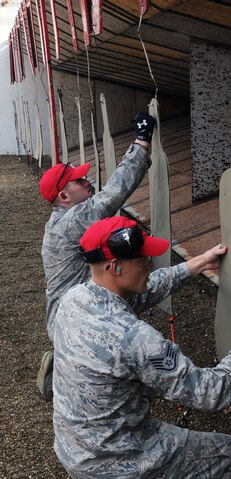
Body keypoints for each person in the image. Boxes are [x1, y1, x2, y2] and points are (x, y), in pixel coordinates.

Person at [52, 215, 231, 479]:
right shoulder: (134, 339)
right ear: (114, 266)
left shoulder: (74, 299)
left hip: (74, 447)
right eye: (143, 259)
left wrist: (197, 264)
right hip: (115, 455)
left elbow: (142, 292)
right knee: (229, 454)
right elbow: (216, 392)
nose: (151, 262)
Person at [36, 112, 156, 400]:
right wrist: (141, 141)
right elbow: (114, 193)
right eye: (79, 181)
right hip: (75, 320)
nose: (87, 181)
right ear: (64, 197)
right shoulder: (71, 222)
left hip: (66, 315)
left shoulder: (60, 222)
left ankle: (64, 361)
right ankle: (63, 372)